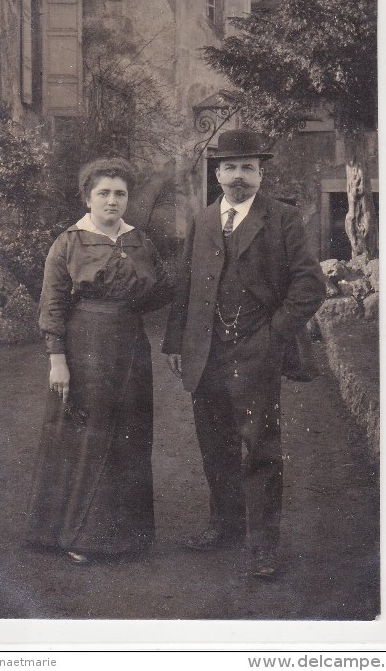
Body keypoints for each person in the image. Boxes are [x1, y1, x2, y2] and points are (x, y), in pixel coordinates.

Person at [163, 130, 326, 579]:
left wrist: (273, 335)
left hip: (257, 352)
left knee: (260, 449)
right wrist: (177, 341)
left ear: (260, 173)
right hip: (206, 351)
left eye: (248, 168)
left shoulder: (283, 219)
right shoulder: (204, 218)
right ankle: (225, 526)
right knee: (214, 444)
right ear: (217, 174)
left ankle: (263, 546)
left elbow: (310, 285)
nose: (239, 177)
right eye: (231, 168)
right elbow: (187, 284)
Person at [25, 157, 172, 565]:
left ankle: (126, 536)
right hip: (84, 346)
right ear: (87, 197)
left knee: (130, 434)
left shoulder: (140, 241)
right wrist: (57, 359)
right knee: (88, 436)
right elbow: (52, 304)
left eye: (120, 193)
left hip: (131, 347)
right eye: (103, 193)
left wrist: (132, 301)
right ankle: (78, 534)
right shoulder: (69, 242)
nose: (112, 201)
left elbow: (160, 290)